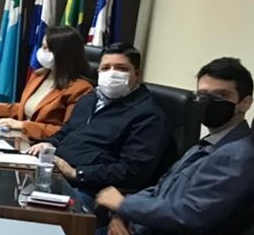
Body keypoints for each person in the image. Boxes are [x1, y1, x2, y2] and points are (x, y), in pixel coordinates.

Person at [91, 57, 254, 235]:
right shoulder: (210, 144)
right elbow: (160, 188)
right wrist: (123, 212)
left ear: (245, 103)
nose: (209, 103)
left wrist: (124, 205)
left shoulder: (240, 156)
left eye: (221, 96)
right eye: (203, 95)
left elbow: (190, 215)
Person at [27, 42, 166, 198]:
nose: (112, 73)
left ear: (137, 74)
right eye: (106, 68)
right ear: (98, 71)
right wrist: (49, 144)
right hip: (56, 172)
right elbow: (66, 132)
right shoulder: (90, 98)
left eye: (121, 69)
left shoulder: (148, 115)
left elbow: (133, 170)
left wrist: (76, 173)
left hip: (91, 189)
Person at [0, 25, 92, 140]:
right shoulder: (39, 75)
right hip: (21, 139)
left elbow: (68, 132)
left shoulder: (80, 89)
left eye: (45, 48)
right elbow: (25, 108)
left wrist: (23, 126)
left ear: (62, 53)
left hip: (44, 146)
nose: (40, 51)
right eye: (42, 46)